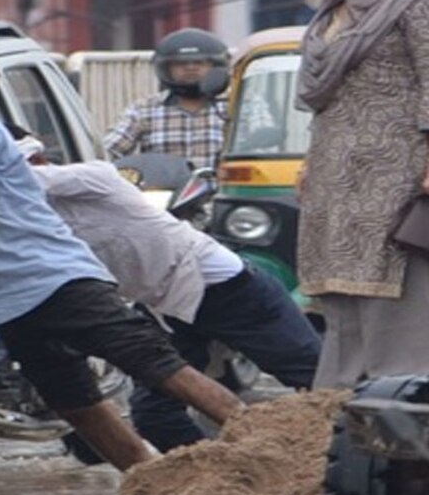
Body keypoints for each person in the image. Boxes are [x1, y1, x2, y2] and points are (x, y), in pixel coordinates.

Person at [0, 39, 244, 471]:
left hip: (48, 276)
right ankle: (146, 478)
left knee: (150, 362)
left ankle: (263, 440)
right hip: (3, 293)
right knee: (69, 395)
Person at [29, 156, 323, 451]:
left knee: (317, 381)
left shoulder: (93, 175)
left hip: (224, 287)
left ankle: (346, 465)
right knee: (153, 414)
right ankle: (218, 478)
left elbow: (16, 180)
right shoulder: (31, 219)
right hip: (163, 308)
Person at [297, 0, 429, 388]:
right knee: (340, 292)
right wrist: (309, 159)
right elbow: (329, 100)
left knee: (396, 288)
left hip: (397, 167)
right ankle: (340, 409)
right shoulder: (330, 9)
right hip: (334, 173)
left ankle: (401, 397)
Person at [104, 28, 230, 169]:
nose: (190, 68)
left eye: (199, 62)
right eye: (180, 63)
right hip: (164, 189)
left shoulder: (234, 107)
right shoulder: (144, 109)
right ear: (166, 69)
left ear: (215, 67)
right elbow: (109, 151)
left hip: (223, 189)